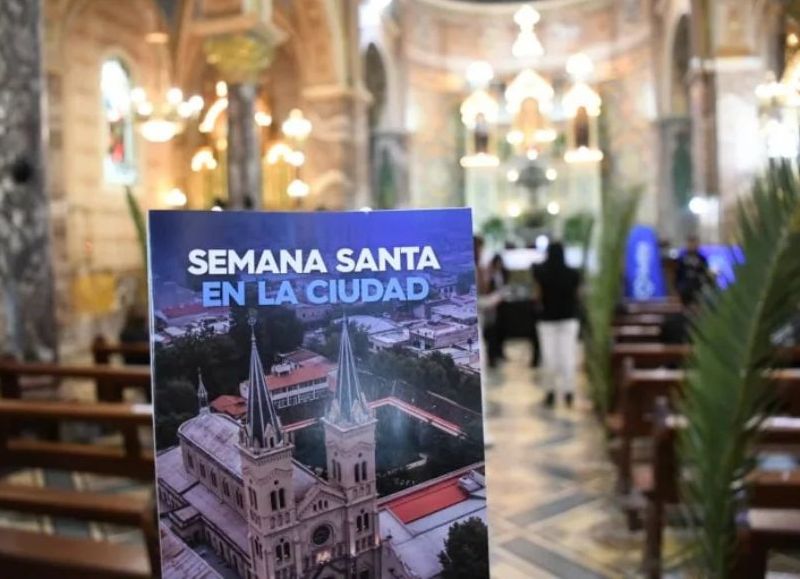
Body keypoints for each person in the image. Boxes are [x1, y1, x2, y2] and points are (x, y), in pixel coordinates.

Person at [533, 242, 581, 408]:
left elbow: (537, 296)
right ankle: (569, 391)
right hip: (569, 318)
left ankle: (550, 392)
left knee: (549, 357)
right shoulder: (573, 273)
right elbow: (577, 296)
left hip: (547, 320)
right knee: (568, 356)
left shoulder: (540, 272)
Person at [675, 235, 712, 305]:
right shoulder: (682, 259)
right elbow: (678, 275)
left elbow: (705, 274)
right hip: (685, 289)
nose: (692, 245)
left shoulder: (702, 259)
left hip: (698, 288)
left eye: (694, 243)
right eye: (690, 243)